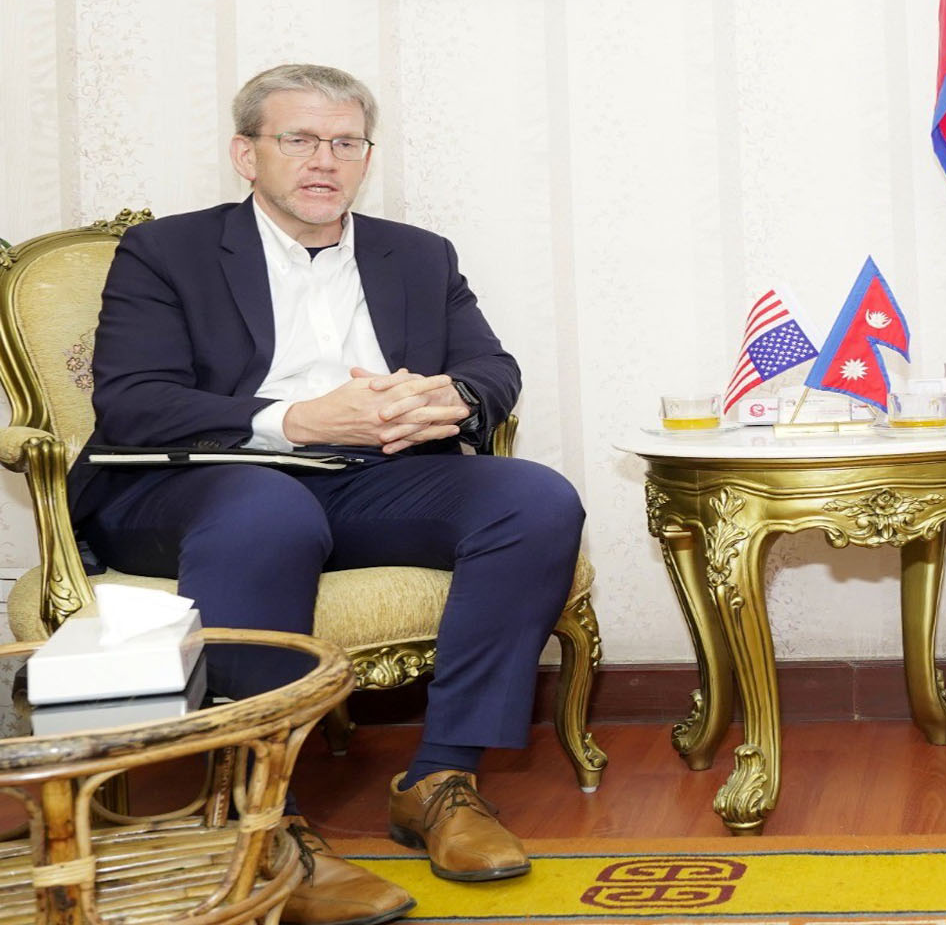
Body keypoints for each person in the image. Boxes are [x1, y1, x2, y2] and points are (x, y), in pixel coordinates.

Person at [74, 64, 586, 925]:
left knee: (533, 498)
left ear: (366, 157)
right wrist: (296, 420)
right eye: (300, 139)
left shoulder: (417, 253)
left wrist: (450, 398)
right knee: (268, 513)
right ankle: (263, 822)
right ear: (247, 154)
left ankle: (441, 779)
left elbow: (492, 369)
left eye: (346, 142)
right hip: (198, 483)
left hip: (365, 480)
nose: (325, 160)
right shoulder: (169, 251)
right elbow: (131, 401)